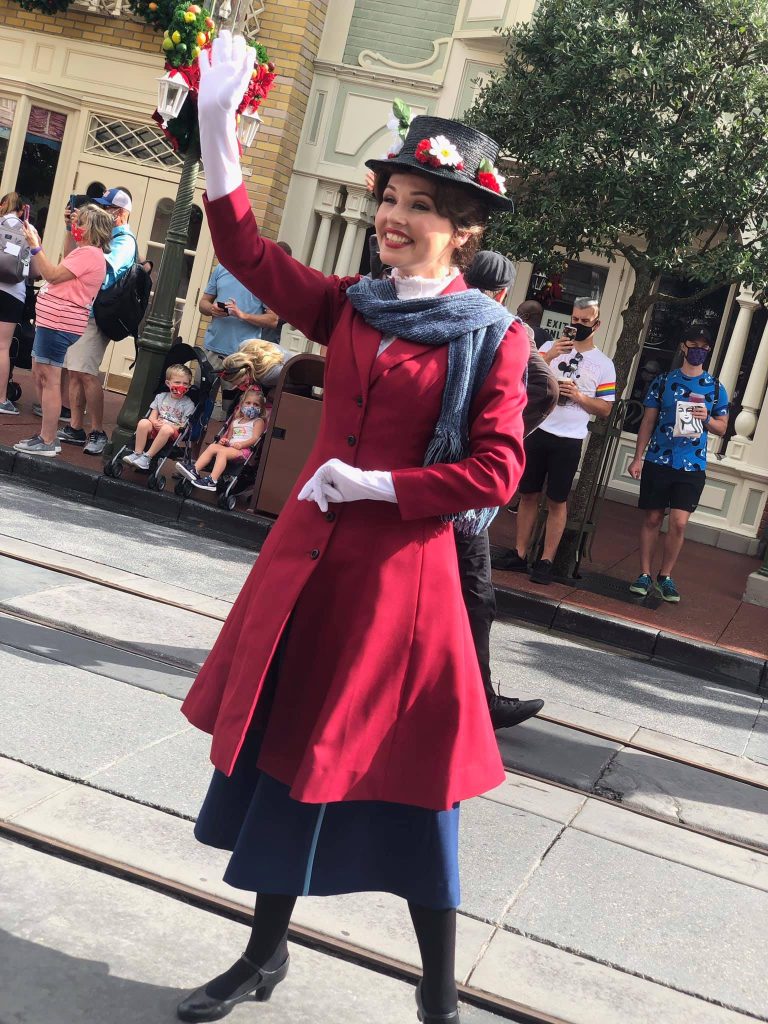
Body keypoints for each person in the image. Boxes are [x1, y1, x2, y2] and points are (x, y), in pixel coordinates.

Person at [175, 33, 528, 1024]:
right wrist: (216, 132)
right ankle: (263, 955)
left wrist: (376, 486)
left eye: (419, 205)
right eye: (389, 198)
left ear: (461, 230)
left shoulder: (495, 337)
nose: (393, 217)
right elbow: (247, 252)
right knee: (289, 764)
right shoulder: (351, 309)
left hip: (401, 599)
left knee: (419, 798)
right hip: (310, 581)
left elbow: (496, 468)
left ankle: (435, 994)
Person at [461, 250, 553, 730]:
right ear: (503, 293)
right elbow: (545, 388)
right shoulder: (505, 329)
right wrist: (505, 435)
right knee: (476, 595)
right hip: (466, 490)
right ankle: (478, 702)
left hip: (414, 473)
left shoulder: (441, 310)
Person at [494, 296, 616, 585]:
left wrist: (579, 397)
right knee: (528, 494)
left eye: (585, 322)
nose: (578, 325)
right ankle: (520, 554)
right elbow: (521, 376)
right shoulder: (549, 348)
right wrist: (549, 357)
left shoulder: (604, 364)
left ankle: (546, 560)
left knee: (557, 500)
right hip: (538, 429)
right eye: (575, 320)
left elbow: (606, 408)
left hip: (569, 438)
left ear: (596, 325)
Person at [628, 322, 729, 602]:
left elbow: (722, 427)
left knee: (680, 523)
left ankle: (666, 576)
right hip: (659, 459)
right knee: (652, 517)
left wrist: (705, 418)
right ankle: (644, 574)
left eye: (704, 347)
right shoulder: (663, 382)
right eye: (694, 346)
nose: (698, 351)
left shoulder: (715, 387)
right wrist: (638, 457)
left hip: (692, 465)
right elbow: (648, 421)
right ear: (683, 346)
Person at [14, 205, 112, 457]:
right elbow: (68, 257)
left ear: (92, 228)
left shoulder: (89, 254)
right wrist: (69, 228)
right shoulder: (87, 253)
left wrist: (35, 245)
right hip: (54, 320)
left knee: (49, 379)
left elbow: (51, 274)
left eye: (81, 224)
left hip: (59, 322)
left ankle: (48, 439)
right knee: (41, 375)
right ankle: (46, 436)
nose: (77, 228)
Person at [57, 187, 137, 456]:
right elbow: (69, 261)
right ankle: (76, 427)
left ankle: (98, 431)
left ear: (122, 213)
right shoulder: (102, 237)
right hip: (81, 309)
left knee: (87, 374)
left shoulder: (124, 241)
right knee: (76, 371)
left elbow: (101, 271)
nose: (103, 211)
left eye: (108, 207)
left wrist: (88, 242)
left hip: (96, 314)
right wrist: (72, 229)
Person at [178, 385, 266, 491]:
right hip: (230, 448)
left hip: (243, 451)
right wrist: (225, 441)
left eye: (256, 404)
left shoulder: (258, 422)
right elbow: (229, 438)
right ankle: (194, 470)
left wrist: (242, 445)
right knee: (212, 447)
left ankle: (212, 480)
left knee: (222, 453)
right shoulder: (235, 422)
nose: (251, 406)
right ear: (242, 405)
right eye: (248, 403)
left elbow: (255, 438)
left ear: (260, 408)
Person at [199, 262, 280, 372]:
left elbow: (273, 320)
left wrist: (243, 315)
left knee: (235, 390)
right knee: (201, 389)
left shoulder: (265, 277)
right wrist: (211, 309)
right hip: (211, 349)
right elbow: (203, 303)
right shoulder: (221, 268)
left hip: (243, 356)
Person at [122, 363, 195, 471]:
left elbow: (183, 425)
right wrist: (155, 422)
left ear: (189, 386)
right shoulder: (161, 397)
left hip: (172, 431)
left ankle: (147, 458)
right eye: (177, 382)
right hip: (157, 426)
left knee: (166, 429)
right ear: (168, 383)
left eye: (185, 384)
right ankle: (138, 453)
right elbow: (152, 416)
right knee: (143, 422)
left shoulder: (188, 404)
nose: (181, 386)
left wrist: (168, 425)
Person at [0, 192, 33, 415]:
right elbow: (34, 268)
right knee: (3, 347)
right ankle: (1, 398)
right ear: (22, 210)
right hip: (13, 293)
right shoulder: (28, 230)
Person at [258, 241, 291, 344]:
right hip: (253, 334)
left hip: (269, 339)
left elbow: (289, 313)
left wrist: (270, 316)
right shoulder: (262, 276)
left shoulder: (287, 282)